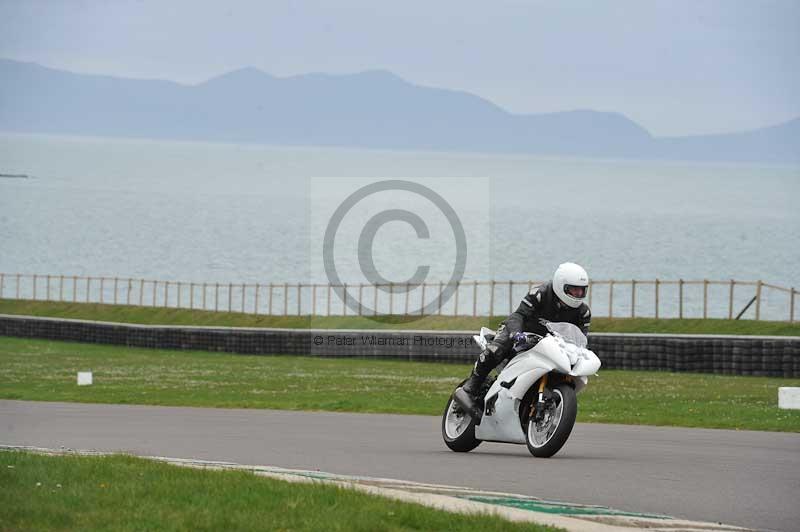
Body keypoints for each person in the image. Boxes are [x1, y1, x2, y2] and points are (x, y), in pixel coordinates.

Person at [460, 262, 592, 399]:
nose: (579, 294)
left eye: (582, 290)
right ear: (560, 286)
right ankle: (472, 385)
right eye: (574, 289)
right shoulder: (540, 294)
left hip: (552, 346)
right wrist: (517, 334)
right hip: (522, 335)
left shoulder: (583, 313)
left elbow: (581, 339)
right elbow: (518, 315)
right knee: (497, 349)